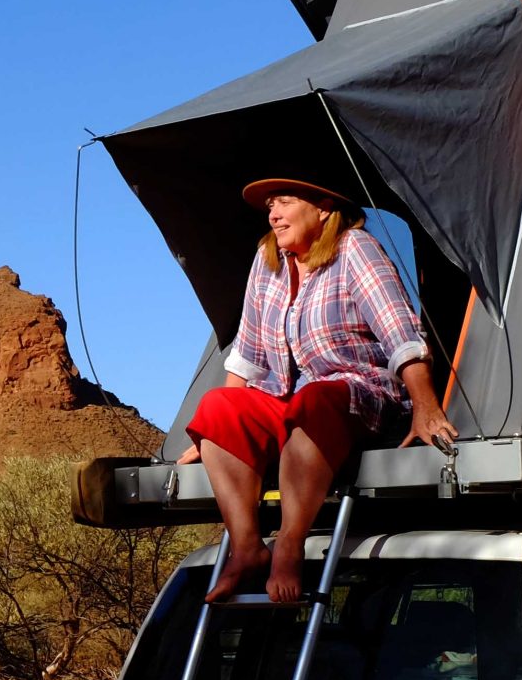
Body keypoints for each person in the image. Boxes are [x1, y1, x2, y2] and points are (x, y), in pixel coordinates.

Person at [180, 177, 457, 603]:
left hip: (356, 393)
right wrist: (214, 435)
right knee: (217, 405)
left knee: (315, 399)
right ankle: (248, 548)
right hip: (286, 400)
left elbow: (400, 331)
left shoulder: (355, 250)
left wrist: (426, 406)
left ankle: (289, 544)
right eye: (270, 205)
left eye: (284, 202)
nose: (273, 214)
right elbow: (248, 355)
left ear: (324, 208)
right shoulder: (266, 260)